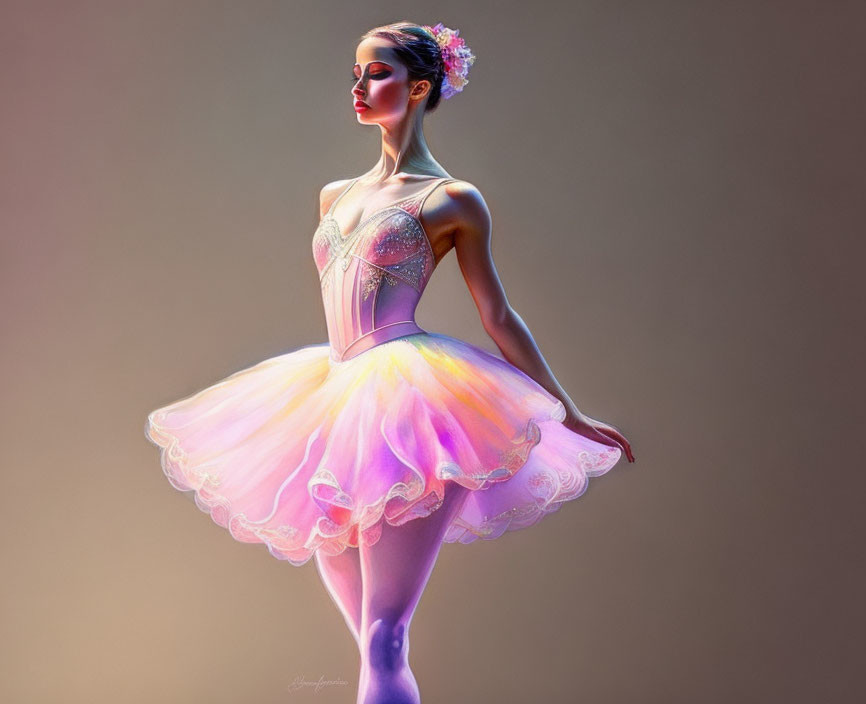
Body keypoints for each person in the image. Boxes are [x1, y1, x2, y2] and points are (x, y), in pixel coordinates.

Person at [145, 20, 634, 704]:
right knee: (371, 648)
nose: (359, 85)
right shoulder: (333, 194)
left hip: (410, 408)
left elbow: (497, 315)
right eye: (357, 72)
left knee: (384, 638)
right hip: (326, 409)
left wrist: (567, 409)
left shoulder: (452, 200)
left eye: (375, 72)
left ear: (420, 86)